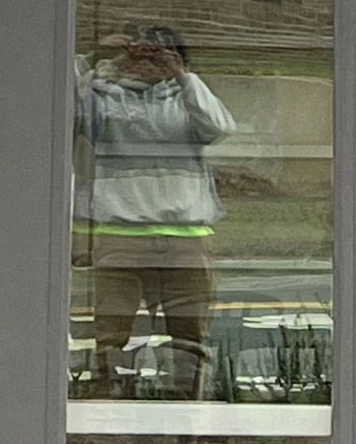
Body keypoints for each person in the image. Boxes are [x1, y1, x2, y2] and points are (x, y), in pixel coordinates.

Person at [75, 24, 237, 399]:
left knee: (189, 343)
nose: (147, 62)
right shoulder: (102, 98)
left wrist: (180, 76)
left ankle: (189, 432)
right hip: (120, 237)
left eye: (159, 54)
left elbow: (219, 127)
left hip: (186, 239)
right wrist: (91, 59)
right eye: (138, 53)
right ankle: (104, 423)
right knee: (110, 341)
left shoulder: (187, 97)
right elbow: (58, 120)